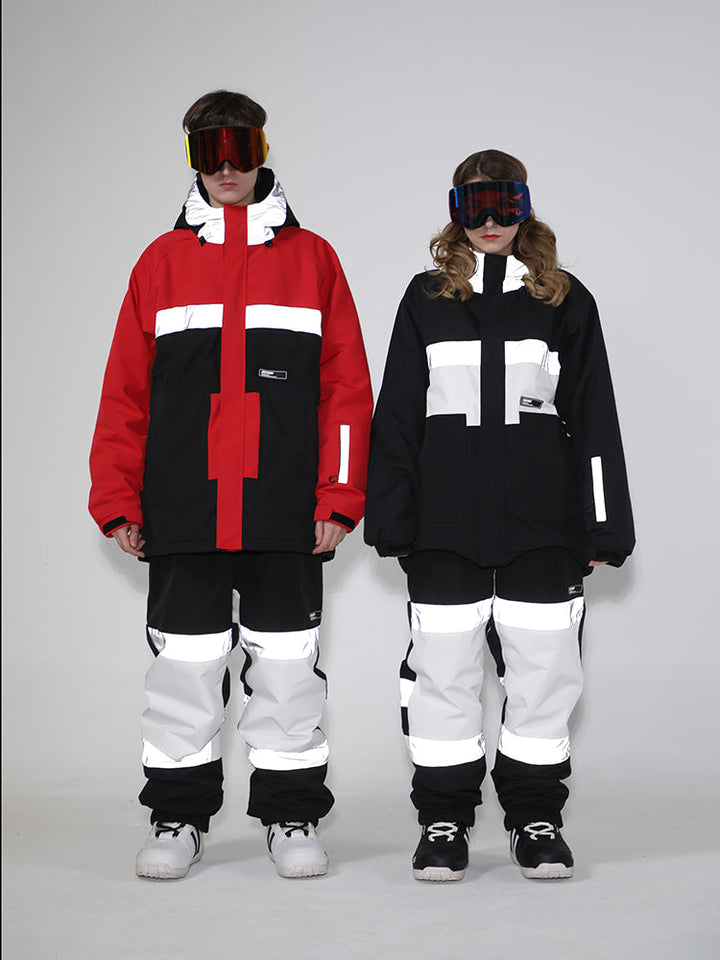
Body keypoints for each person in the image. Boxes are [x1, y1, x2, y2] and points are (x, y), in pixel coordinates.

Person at [89, 90, 373, 880]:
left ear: (261, 152)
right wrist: (116, 498)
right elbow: (124, 394)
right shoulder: (160, 262)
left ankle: (290, 816)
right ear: (192, 159)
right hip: (184, 507)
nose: (225, 167)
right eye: (208, 151)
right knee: (184, 669)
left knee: (287, 670)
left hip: (284, 508)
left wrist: (339, 496)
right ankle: (178, 817)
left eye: (239, 149)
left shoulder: (313, 259)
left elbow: (347, 391)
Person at [364, 150, 634, 881]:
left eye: (504, 203)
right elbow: (397, 416)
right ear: (455, 210)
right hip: (443, 527)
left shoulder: (563, 300)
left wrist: (604, 522)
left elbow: (595, 416)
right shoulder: (426, 298)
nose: (490, 221)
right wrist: (392, 515)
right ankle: (444, 820)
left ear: (525, 206)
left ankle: (535, 818)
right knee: (443, 675)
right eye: (474, 205)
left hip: (543, 526)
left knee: (545, 674)